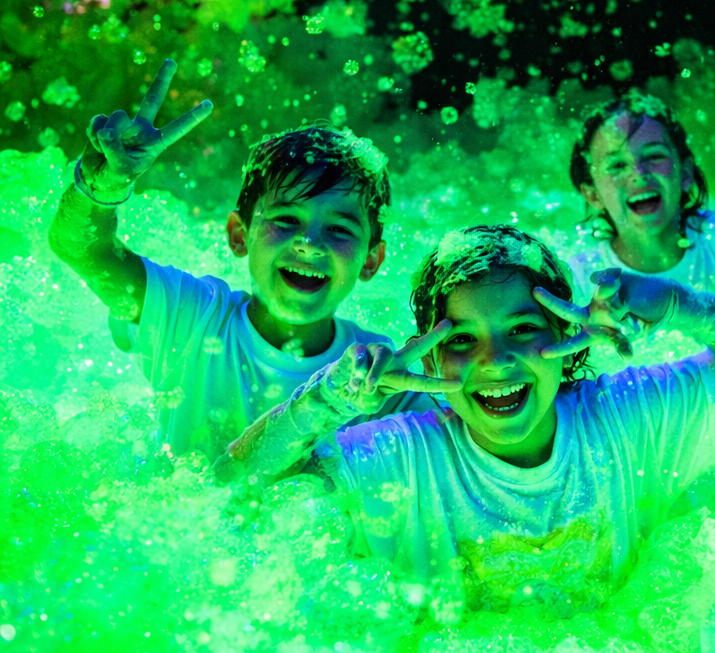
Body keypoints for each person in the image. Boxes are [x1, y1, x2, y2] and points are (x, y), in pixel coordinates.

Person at [219, 225, 715, 617]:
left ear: (567, 335)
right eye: (463, 339)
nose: (495, 361)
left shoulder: (622, 416)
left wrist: (675, 304)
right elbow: (233, 491)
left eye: (522, 329)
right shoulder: (405, 456)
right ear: (431, 359)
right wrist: (325, 400)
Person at [48, 59, 445, 460]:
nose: (309, 243)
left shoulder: (381, 375)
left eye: (339, 230)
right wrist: (100, 187)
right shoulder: (192, 319)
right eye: (286, 220)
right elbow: (82, 248)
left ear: (371, 261)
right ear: (239, 235)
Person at [567, 91, 715, 303]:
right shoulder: (581, 281)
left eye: (654, 156)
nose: (639, 174)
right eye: (618, 165)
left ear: (685, 173)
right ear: (593, 195)